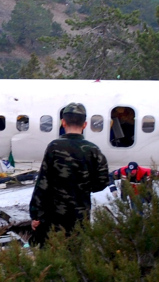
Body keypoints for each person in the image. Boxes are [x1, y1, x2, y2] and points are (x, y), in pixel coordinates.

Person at [29, 102, 110, 246]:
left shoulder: (54, 147)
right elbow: (102, 181)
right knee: (76, 257)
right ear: (85, 125)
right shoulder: (93, 150)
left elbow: (43, 183)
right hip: (80, 217)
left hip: (53, 217)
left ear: (63, 122)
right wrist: (84, 187)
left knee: (52, 255)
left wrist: (36, 214)